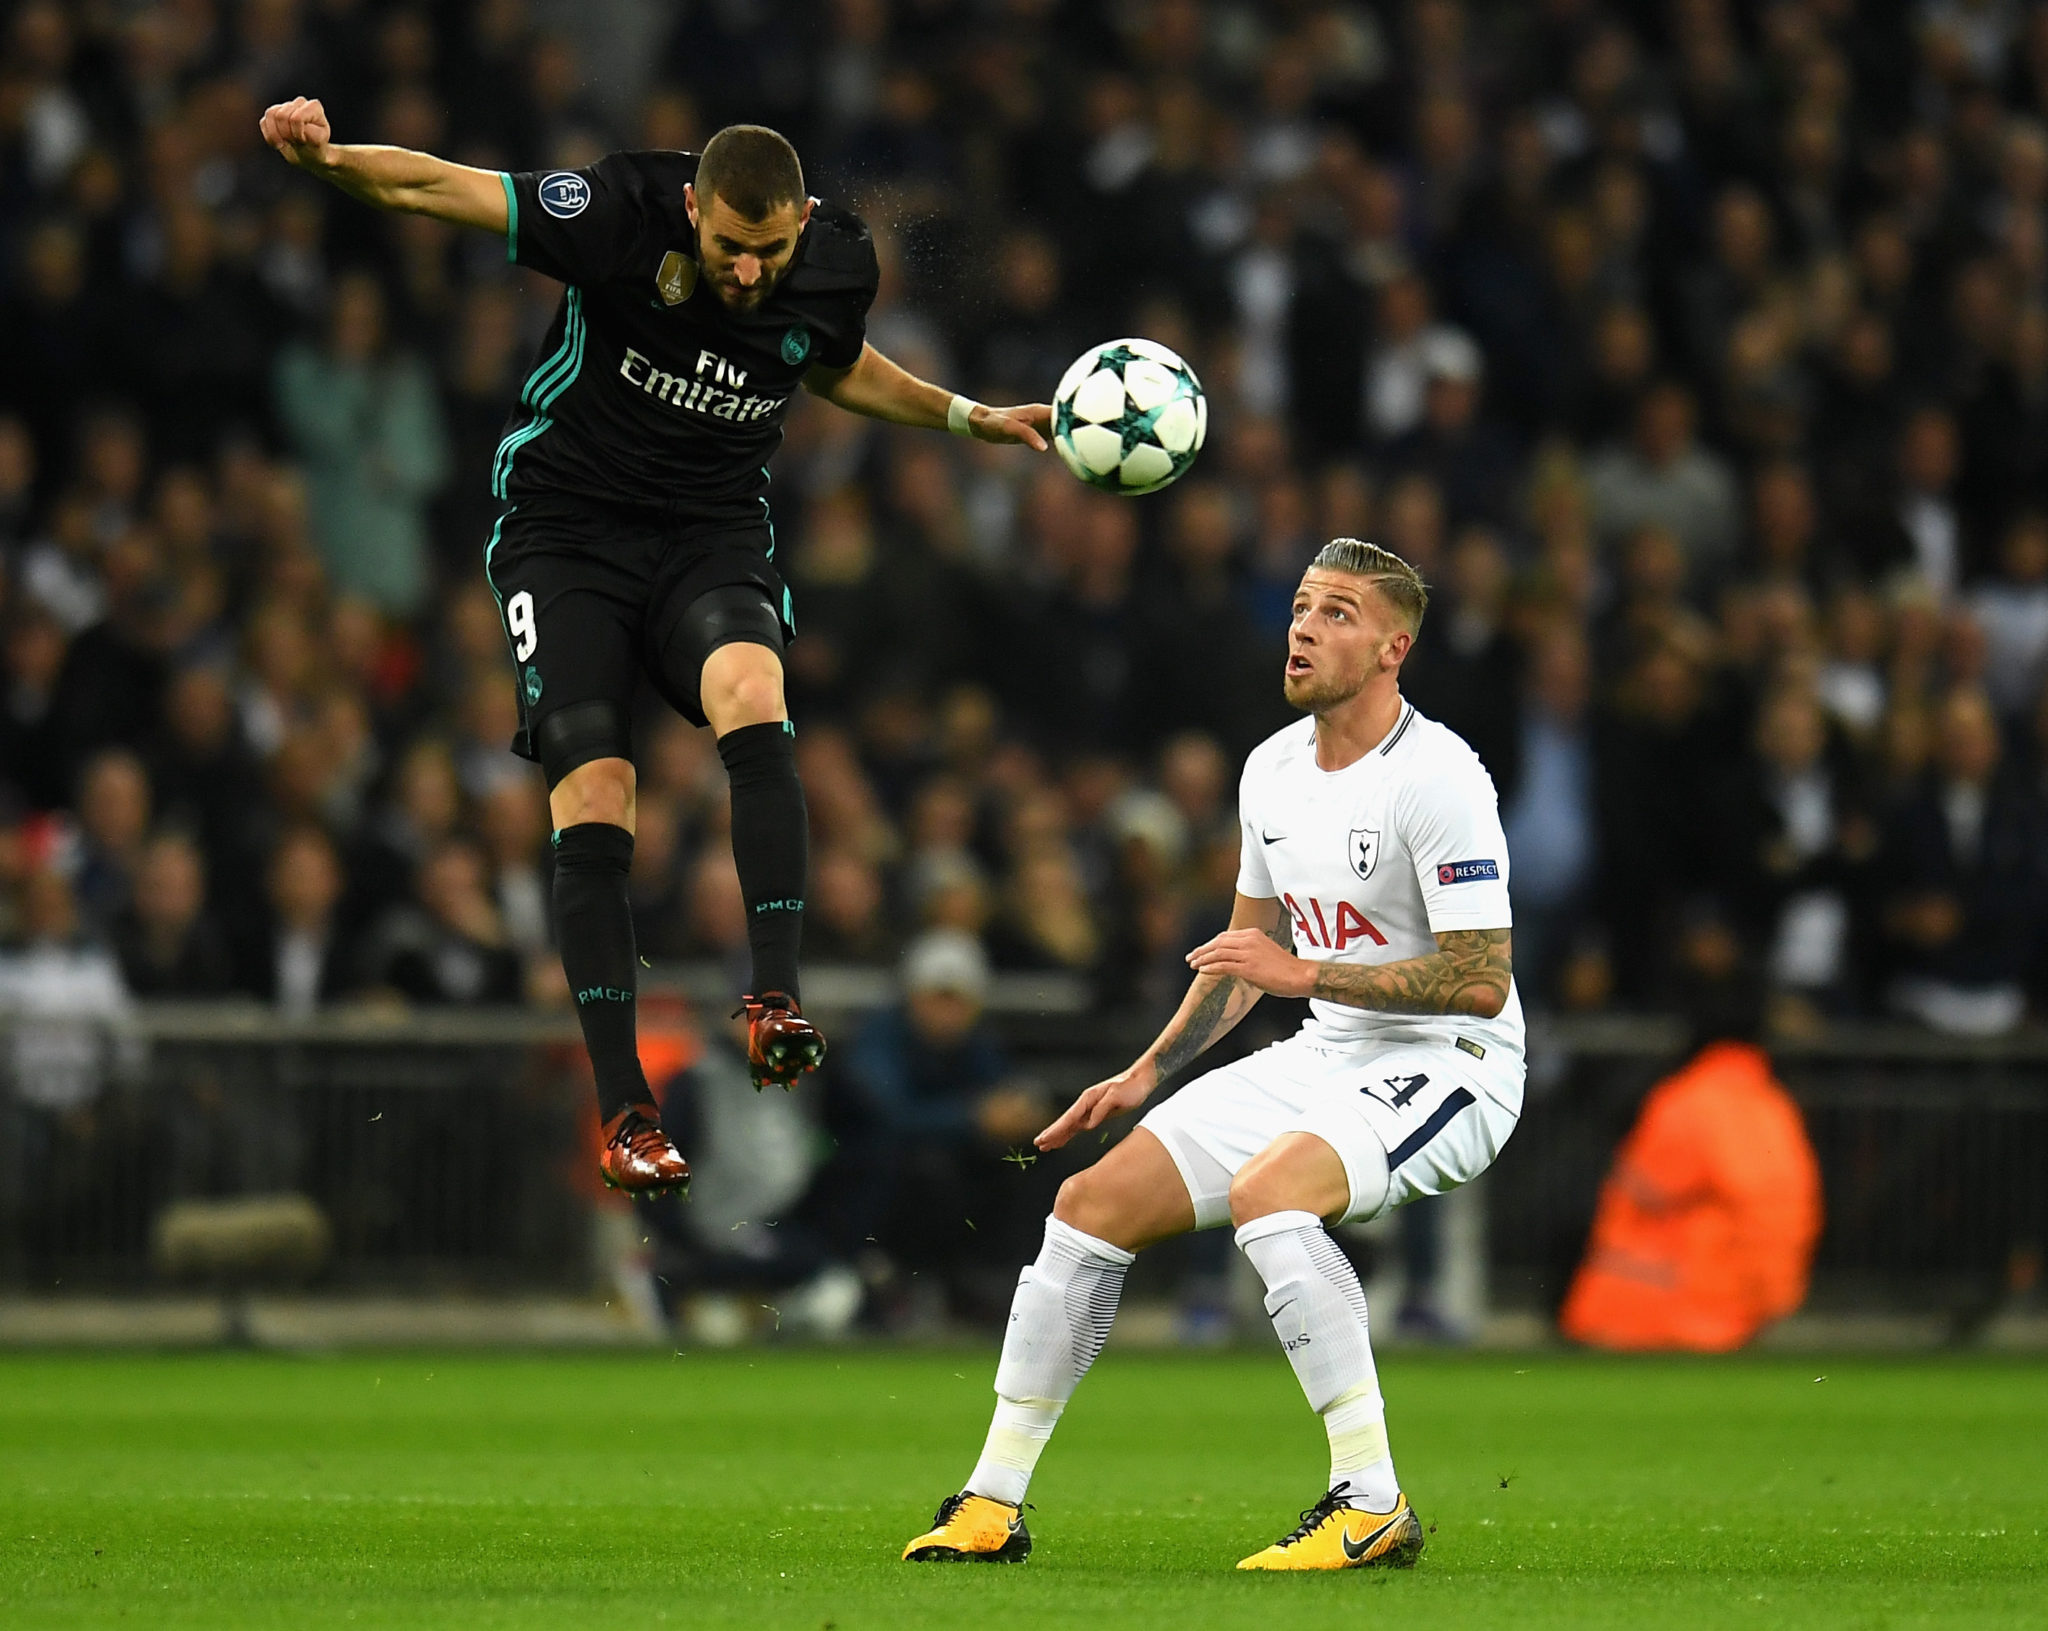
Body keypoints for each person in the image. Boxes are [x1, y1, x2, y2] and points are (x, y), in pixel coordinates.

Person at [259, 99, 1051, 1192]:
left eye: (767, 251)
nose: (746, 272)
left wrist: (965, 415)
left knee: (754, 692)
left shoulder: (833, 263)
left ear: (801, 224)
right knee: (597, 793)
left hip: (708, 532)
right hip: (566, 532)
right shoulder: (620, 211)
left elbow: (833, 364)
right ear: (692, 209)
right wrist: (332, 159)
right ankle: (626, 1107)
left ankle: (774, 998)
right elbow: (448, 188)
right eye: (727, 247)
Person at [903, 539, 1523, 1571]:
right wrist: (1147, 1071)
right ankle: (990, 1501)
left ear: (1392, 649)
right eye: (1301, 605)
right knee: (1088, 1204)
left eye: (1336, 612)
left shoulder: (1439, 777)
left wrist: (1303, 973)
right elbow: (1244, 957)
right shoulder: (1270, 768)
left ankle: (1370, 1501)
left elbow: (1480, 980)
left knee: (1268, 1194)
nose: (1304, 627)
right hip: (1331, 1046)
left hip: (1456, 1058)